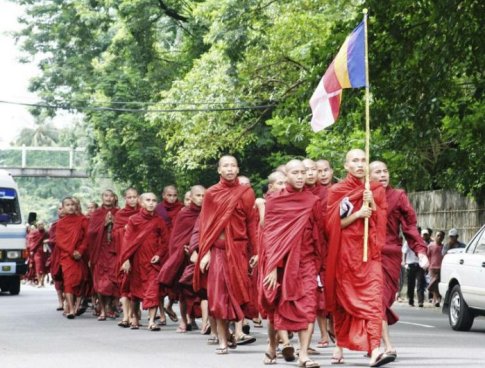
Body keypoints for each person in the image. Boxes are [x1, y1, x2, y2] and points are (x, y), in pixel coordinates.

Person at [325, 149, 389, 367]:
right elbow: (332, 226)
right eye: (355, 161)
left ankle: (375, 349)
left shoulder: (376, 188)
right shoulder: (337, 191)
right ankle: (339, 344)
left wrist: (372, 205)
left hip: (369, 255)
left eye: (363, 160)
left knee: (373, 302)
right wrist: (357, 214)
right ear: (346, 166)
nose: (360, 164)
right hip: (346, 256)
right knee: (343, 303)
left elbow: (381, 221)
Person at [194, 155, 259, 355]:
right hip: (218, 251)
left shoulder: (246, 193)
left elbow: (251, 223)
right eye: (225, 166)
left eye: (233, 166)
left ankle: (233, 333)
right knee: (218, 297)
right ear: (219, 170)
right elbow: (206, 224)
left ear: (238, 169)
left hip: (239, 250)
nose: (229, 169)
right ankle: (223, 340)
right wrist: (204, 253)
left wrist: (255, 251)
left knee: (237, 296)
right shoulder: (212, 193)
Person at [261, 159, 323, 368]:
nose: (299, 176)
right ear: (285, 175)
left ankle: (303, 354)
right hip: (281, 263)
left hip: (305, 261)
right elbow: (270, 235)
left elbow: (318, 232)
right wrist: (271, 267)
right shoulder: (274, 201)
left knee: (308, 306)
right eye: (295, 172)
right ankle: (272, 345)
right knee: (276, 307)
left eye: (302, 172)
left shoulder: (311, 200)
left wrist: (318, 262)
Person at [370, 161, 429, 359]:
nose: (383, 174)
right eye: (377, 172)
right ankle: (386, 346)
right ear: (369, 176)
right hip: (367, 255)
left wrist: (420, 251)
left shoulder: (398, 196)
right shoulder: (361, 195)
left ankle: (374, 343)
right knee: (375, 300)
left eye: (385, 170)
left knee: (384, 298)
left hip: (390, 254)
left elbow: (410, 226)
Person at [159, 185, 205, 333]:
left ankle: (205, 322)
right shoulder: (184, 214)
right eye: (198, 196)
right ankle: (184, 320)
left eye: (204, 196)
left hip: (203, 255)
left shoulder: (209, 212)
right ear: (191, 197)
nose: (201, 199)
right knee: (185, 292)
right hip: (184, 257)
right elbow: (176, 238)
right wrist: (183, 249)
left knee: (204, 290)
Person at [120, 193, 169, 331]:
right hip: (136, 260)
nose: (151, 203)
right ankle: (135, 317)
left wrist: (159, 255)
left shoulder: (159, 221)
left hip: (152, 262)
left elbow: (166, 241)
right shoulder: (133, 220)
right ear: (141, 202)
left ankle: (152, 321)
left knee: (153, 290)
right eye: (148, 200)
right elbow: (127, 241)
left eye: (154, 200)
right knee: (135, 292)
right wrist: (126, 260)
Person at [88, 190, 119, 321]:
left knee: (112, 281)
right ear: (102, 197)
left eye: (111, 196)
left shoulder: (119, 212)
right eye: (106, 195)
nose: (108, 198)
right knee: (99, 282)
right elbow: (90, 233)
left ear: (114, 198)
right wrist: (104, 224)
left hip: (113, 250)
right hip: (100, 250)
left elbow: (124, 229)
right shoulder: (97, 214)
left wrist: (115, 222)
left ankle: (109, 306)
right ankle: (102, 308)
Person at [56, 197, 89, 319]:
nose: (70, 207)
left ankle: (76, 306)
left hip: (81, 255)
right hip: (67, 257)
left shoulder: (82, 220)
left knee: (81, 280)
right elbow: (60, 241)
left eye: (72, 205)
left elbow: (87, 237)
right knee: (68, 281)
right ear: (63, 208)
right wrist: (71, 252)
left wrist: (80, 250)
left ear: (76, 207)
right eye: (67, 205)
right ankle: (70, 309)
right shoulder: (60, 223)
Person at [113, 188, 140, 328]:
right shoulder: (120, 214)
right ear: (125, 198)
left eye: (134, 197)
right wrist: (124, 229)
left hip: (139, 254)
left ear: (138, 197)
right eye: (129, 197)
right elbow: (115, 233)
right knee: (124, 284)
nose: (132, 200)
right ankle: (125, 316)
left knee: (135, 286)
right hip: (123, 253)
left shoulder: (142, 213)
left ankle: (133, 315)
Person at [27, 221, 48, 287]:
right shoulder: (34, 233)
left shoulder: (47, 233)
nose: (40, 225)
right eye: (39, 224)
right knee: (38, 267)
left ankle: (42, 281)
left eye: (41, 224)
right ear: (37, 225)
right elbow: (31, 242)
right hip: (37, 252)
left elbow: (52, 239)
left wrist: (48, 241)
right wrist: (32, 249)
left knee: (45, 267)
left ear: (44, 225)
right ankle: (39, 282)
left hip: (45, 251)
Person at [427, 230, 444, 307]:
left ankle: (436, 300)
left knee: (438, 285)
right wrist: (427, 266)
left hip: (441, 268)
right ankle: (437, 299)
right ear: (435, 236)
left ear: (443, 237)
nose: (439, 237)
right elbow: (427, 256)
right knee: (434, 284)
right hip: (432, 267)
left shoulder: (443, 247)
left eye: (441, 236)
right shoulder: (430, 246)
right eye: (438, 235)